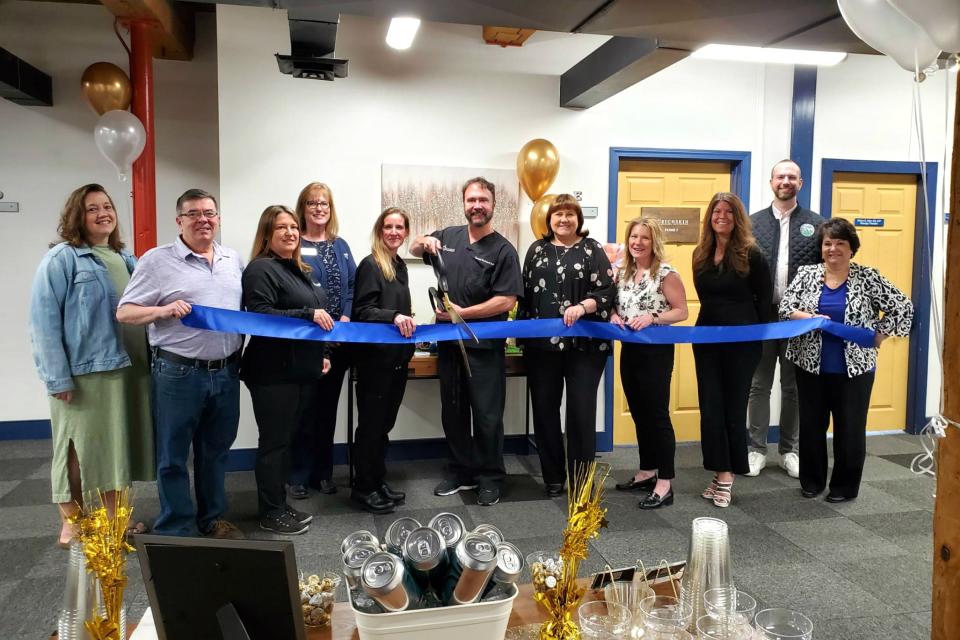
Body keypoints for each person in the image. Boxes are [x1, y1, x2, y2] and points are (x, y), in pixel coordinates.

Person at [30, 184, 153, 547]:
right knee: (75, 447)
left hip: (127, 369)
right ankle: (72, 520)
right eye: (91, 208)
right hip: (84, 374)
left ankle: (114, 519)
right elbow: (43, 323)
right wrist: (57, 377)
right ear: (76, 216)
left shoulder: (125, 258)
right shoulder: (62, 259)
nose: (103, 213)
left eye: (107, 206)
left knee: (113, 448)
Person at [117, 188, 244, 539]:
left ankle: (213, 519)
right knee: (173, 455)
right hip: (178, 373)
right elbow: (125, 311)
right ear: (179, 221)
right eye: (193, 214)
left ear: (217, 218)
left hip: (226, 371)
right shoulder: (157, 260)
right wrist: (163, 310)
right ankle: (178, 525)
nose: (203, 219)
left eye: (209, 212)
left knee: (216, 451)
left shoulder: (232, 259)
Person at [780, 218, 912, 502]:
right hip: (809, 365)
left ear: (852, 249)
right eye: (828, 243)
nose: (833, 249)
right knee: (811, 427)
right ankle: (812, 482)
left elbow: (903, 307)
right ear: (821, 247)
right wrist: (810, 318)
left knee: (850, 429)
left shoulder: (868, 277)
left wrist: (880, 334)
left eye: (841, 243)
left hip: (855, 369)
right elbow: (785, 308)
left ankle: (844, 487)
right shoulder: (806, 274)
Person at [410, 177, 523, 506]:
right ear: (464, 203)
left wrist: (465, 313)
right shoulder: (448, 237)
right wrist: (424, 242)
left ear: (492, 205)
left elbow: (507, 300)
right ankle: (460, 472)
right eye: (472, 200)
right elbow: (414, 247)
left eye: (483, 200)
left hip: (484, 345)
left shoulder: (503, 249)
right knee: (454, 410)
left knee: (487, 415)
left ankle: (490, 476)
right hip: (448, 343)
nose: (477, 205)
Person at [240, 205, 332, 534]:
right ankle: (269, 512)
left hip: (298, 370)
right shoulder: (260, 269)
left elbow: (309, 320)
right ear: (267, 234)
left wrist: (318, 353)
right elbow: (263, 318)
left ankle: (279, 503)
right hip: (272, 373)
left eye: (294, 227)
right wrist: (308, 314)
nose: (291, 232)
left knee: (286, 443)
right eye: (282, 228)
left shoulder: (295, 268)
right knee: (274, 444)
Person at [518, 195, 614, 498]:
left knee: (581, 413)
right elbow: (525, 294)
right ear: (549, 220)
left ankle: (582, 479)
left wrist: (583, 306)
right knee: (545, 411)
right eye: (557, 214)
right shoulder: (536, 250)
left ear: (578, 219)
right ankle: (553, 478)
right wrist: (520, 335)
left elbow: (607, 290)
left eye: (569, 214)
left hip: (585, 348)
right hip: (541, 349)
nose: (563, 219)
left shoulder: (592, 249)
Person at [691, 192, 772, 508]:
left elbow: (764, 302)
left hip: (742, 343)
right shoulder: (700, 253)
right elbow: (705, 295)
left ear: (737, 217)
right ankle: (718, 471)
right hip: (706, 338)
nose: (721, 215)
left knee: (733, 408)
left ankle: (727, 476)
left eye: (727, 211)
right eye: (716, 211)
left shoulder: (752, 254)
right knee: (711, 408)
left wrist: (756, 340)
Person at [747, 160, 824, 478]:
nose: (786, 181)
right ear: (771, 182)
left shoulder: (817, 224)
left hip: (799, 321)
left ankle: (789, 450)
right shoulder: (752, 224)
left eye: (792, 177)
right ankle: (755, 449)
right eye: (781, 176)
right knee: (758, 385)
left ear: (800, 183)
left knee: (793, 388)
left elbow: (826, 270)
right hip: (762, 319)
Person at [611, 217, 689, 509]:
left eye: (644, 237)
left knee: (657, 415)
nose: (637, 242)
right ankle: (647, 470)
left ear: (654, 241)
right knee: (639, 413)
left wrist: (653, 318)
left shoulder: (666, 274)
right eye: (633, 237)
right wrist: (613, 315)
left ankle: (665, 482)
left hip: (656, 352)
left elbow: (681, 312)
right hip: (630, 350)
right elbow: (617, 304)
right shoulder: (623, 273)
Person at [287, 182, 356, 499]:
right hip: (306, 342)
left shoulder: (340, 246)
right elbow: (288, 289)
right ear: (303, 207)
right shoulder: (292, 244)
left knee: (327, 409)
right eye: (313, 203)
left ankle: (323, 474)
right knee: (302, 409)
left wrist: (346, 314)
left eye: (324, 203)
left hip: (338, 342)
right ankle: (298, 475)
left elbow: (353, 286)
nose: (319, 208)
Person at [350, 207, 417, 514]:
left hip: (396, 362)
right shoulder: (370, 265)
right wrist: (395, 317)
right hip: (374, 364)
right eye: (388, 226)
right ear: (380, 231)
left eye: (399, 227)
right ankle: (364, 488)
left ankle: (378, 481)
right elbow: (362, 312)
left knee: (383, 426)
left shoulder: (398, 265)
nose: (393, 232)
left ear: (405, 232)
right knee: (371, 427)